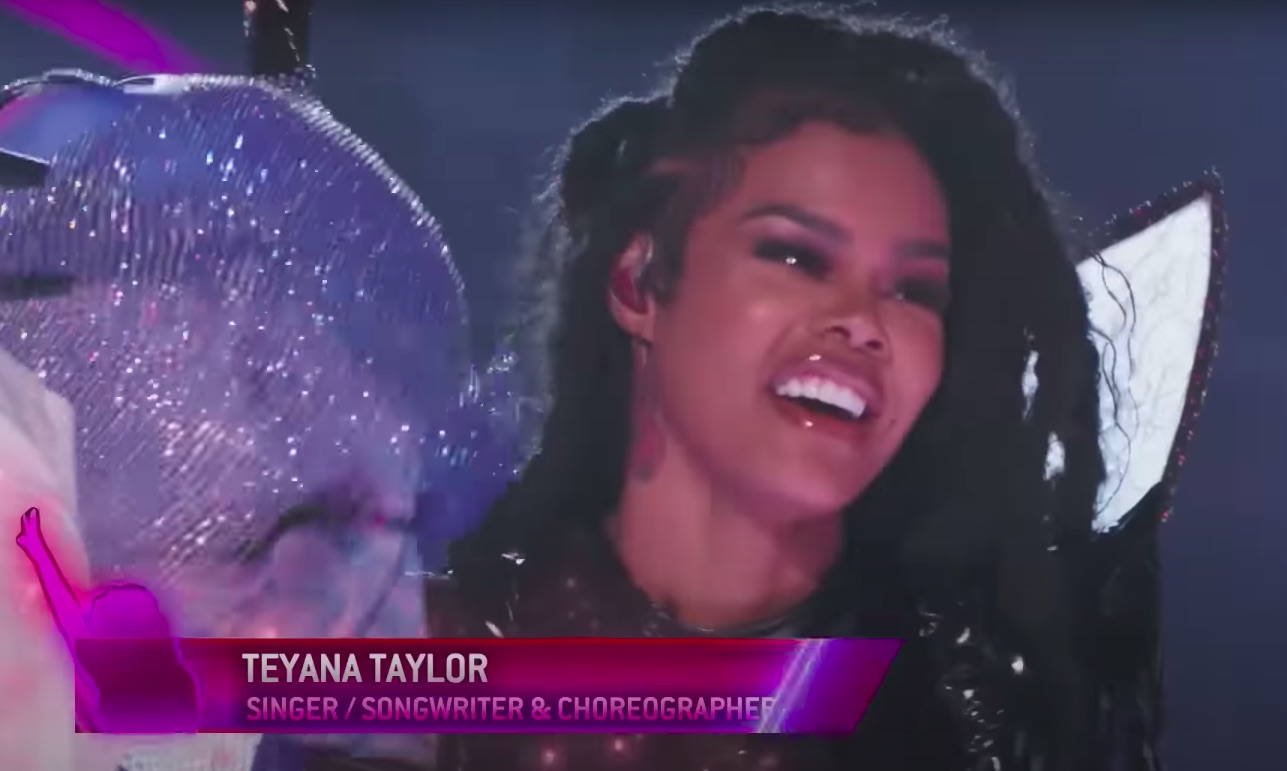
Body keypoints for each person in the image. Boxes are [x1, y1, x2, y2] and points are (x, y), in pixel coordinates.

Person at [294, 5, 1166, 771]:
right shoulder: (418, 672)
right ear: (639, 283)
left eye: (913, 290)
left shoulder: (981, 698)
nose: (864, 321)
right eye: (796, 255)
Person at [15, 507, 201, 735]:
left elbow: (70, 620)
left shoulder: (111, 693)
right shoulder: (174, 685)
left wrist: (39, 553)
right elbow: (70, 618)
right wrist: (38, 551)